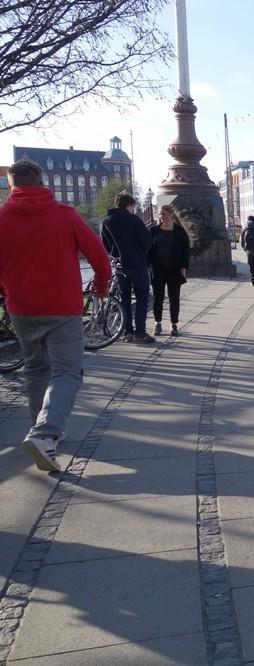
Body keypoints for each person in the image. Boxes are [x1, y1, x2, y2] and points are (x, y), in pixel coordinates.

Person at [0, 158, 111, 472]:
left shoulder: (1, 218)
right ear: (41, 181)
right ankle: (45, 433)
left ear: (12, 185)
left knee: (37, 371)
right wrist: (100, 285)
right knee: (67, 372)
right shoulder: (65, 216)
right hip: (62, 307)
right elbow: (98, 255)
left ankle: (44, 433)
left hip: (21, 309)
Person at [101, 191, 155, 344]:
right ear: (129, 205)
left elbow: (105, 245)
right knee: (142, 299)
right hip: (137, 264)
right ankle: (140, 332)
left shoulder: (106, 222)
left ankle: (127, 332)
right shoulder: (134, 220)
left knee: (124, 300)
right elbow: (147, 242)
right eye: (133, 207)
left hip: (120, 267)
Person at [148, 205, 190, 336]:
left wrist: (184, 268)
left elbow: (185, 251)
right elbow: (148, 249)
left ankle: (174, 324)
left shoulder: (179, 232)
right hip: (158, 269)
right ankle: (157, 323)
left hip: (174, 269)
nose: (162, 217)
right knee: (158, 297)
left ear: (171, 214)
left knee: (174, 298)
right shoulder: (154, 231)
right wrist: (148, 266)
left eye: (164, 214)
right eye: (160, 214)